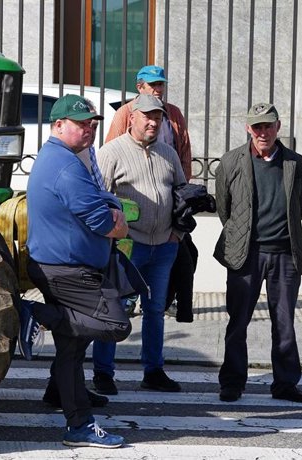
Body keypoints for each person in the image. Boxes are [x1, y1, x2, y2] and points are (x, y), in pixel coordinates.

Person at [21, 93, 132, 448]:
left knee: (71, 348)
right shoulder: (68, 167)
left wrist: (111, 206)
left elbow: (104, 198)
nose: (89, 130)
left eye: (92, 124)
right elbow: (104, 220)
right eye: (81, 124)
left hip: (59, 267)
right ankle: (35, 313)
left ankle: (76, 418)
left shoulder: (59, 158)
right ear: (58, 126)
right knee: (116, 324)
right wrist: (120, 223)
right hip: (68, 273)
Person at [91, 65, 195, 394]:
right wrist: (111, 239)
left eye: (158, 118)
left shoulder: (167, 153)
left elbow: (182, 194)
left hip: (164, 245)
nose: (152, 122)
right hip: (127, 248)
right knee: (116, 308)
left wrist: (176, 235)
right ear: (132, 117)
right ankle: (103, 373)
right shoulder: (111, 153)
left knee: (155, 311)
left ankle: (153, 371)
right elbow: (99, 199)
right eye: (147, 116)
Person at [214, 102, 302, 404]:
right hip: (247, 254)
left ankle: (285, 384)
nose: (263, 132)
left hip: (284, 254)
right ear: (248, 128)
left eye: (268, 126)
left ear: (278, 127)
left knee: (284, 323)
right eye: (257, 127)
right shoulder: (231, 162)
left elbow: (301, 206)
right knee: (238, 321)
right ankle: (232, 382)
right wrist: (243, 235)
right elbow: (224, 208)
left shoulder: (295, 163)